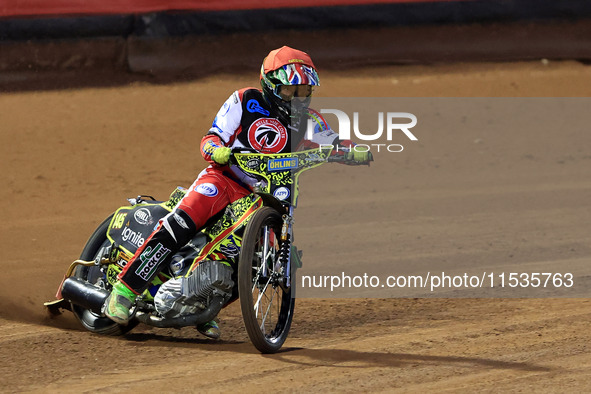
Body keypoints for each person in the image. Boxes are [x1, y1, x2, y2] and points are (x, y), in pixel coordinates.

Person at [103, 46, 372, 339]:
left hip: (270, 192)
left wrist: (352, 151)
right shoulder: (245, 100)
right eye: (290, 91)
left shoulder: (310, 120)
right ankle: (124, 290)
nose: (297, 98)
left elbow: (332, 142)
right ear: (270, 84)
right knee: (183, 221)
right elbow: (211, 137)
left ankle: (200, 303)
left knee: (253, 258)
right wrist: (216, 151)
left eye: (303, 91)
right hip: (224, 179)